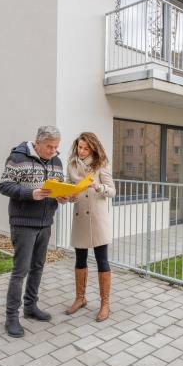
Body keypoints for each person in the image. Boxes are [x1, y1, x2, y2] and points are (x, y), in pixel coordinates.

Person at [0, 125, 68, 338]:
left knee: (37, 267)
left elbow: (58, 186)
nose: (53, 151)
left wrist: (63, 196)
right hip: (23, 223)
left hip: (45, 222)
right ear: (37, 143)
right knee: (20, 271)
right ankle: (11, 317)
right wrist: (31, 193)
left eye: (56, 147)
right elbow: (4, 186)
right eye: (49, 147)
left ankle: (30, 307)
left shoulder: (56, 161)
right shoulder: (18, 157)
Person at [65, 132, 116, 321]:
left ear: (93, 149)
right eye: (80, 147)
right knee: (80, 259)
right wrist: (70, 196)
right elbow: (70, 187)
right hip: (80, 217)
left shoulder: (100, 164)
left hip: (97, 219)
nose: (82, 151)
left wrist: (98, 187)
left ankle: (105, 304)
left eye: (86, 148)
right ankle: (80, 298)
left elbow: (112, 191)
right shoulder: (72, 165)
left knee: (102, 260)